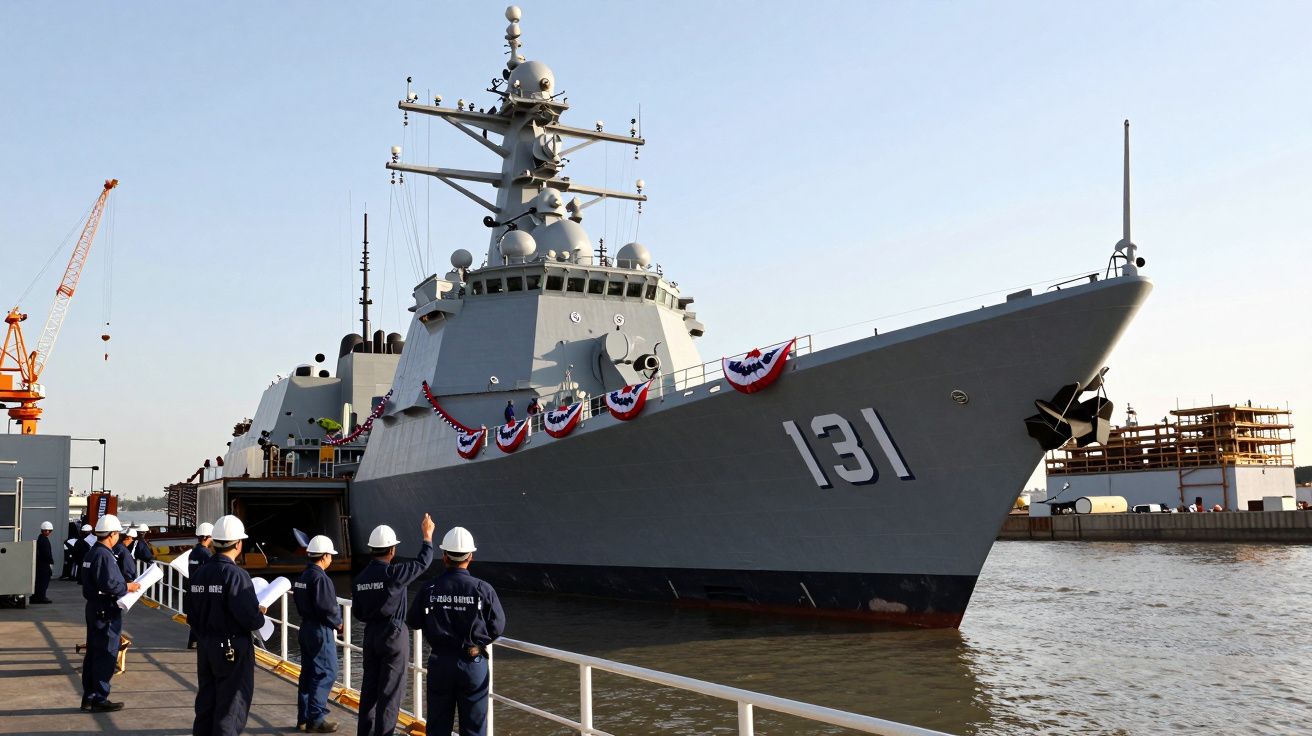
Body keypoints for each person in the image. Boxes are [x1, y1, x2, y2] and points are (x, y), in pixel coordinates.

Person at [406, 527, 505, 736]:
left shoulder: (429, 588)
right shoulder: (482, 588)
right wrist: (478, 640)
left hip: (440, 662)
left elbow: (412, 620)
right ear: (470, 556)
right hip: (472, 663)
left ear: (444, 556)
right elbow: (497, 626)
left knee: (438, 725)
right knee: (474, 727)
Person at [354, 514, 436, 736]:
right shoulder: (394, 574)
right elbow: (423, 562)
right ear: (392, 550)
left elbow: (358, 613)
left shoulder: (360, 578)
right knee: (389, 694)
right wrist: (427, 536)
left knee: (369, 690)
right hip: (393, 635)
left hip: (370, 636)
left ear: (372, 549)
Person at [191, 515, 267, 736]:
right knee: (232, 705)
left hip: (206, 645)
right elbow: (249, 618)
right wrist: (259, 613)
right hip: (231, 647)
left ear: (213, 542)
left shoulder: (199, 574)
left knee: (207, 701)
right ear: (239, 544)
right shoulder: (236, 575)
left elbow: (192, 614)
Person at [80, 514, 141, 712]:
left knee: (93, 653)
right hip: (105, 610)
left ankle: (89, 697)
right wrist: (128, 586)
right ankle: (99, 697)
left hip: (94, 607)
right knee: (106, 653)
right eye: (117, 534)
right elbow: (108, 583)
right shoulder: (105, 555)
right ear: (112, 534)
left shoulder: (92, 553)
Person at [293, 535, 343, 733]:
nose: (331, 558)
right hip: (320, 631)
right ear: (323, 556)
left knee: (307, 673)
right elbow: (327, 607)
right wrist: (338, 623)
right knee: (326, 672)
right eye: (330, 555)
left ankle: (303, 718)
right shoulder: (321, 578)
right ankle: (317, 718)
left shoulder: (303, 576)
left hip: (306, 628)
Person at [185, 521, 215, 650]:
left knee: (196, 616)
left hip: (193, 588)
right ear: (207, 537)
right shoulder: (206, 554)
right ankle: (202, 643)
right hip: (203, 590)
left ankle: (192, 642)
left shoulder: (193, 552)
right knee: (205, 616)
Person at [33, 520, 54, 603]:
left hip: (40, 564)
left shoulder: (41, 538)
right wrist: (51, 561)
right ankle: (41, 597)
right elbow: (46, 553)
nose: (48, 532)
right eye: (47, 530)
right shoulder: (44, 540)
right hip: (44, 565)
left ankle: (37, 596)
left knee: (39, 581)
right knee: (43, 581)